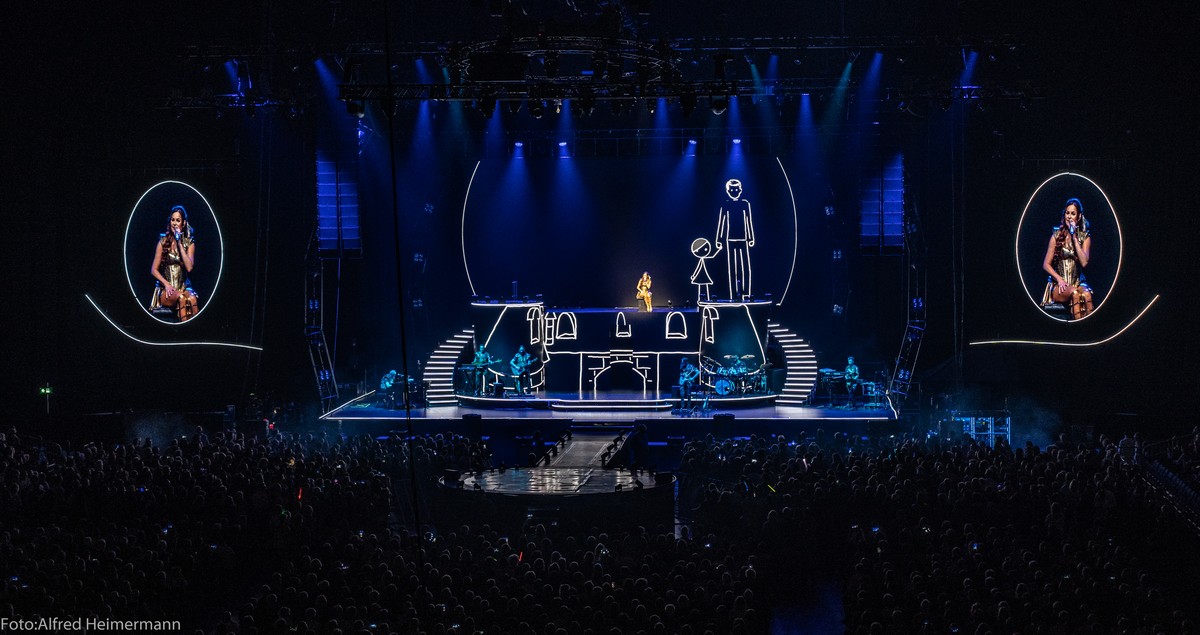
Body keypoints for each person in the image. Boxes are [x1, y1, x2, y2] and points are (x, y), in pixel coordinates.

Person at [1041, 198, 1093, 319]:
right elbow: (1046, 264)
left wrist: (1074, 236)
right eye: (1067, 213)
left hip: (1077, 282)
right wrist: (1059, 279)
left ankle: (1091, 328)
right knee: (1074, 293)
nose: (1069, 216)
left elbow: (1084, 262)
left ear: (1078, 217)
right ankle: (1077, 328)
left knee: (1087, 294)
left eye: (1073, 214)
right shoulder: (1056, 235)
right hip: (1060, 284)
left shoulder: (1084, 237)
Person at [149, 205, 199, 321]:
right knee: (181, 298)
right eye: (172, 220)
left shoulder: (189, 243)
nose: (175, 223)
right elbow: (153, 270)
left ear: (183, 223)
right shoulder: (163, 242)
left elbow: (189, 267)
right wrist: (166, 284)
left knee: (192, 299)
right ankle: (183, 330)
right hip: (167, 289)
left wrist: (179, 243)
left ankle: (195, 330)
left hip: (183, 287)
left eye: (178, 220)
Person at [714, 179, 755, 301]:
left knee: (745, 267)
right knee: (732, 268)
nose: (734, 191)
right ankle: (733, 294)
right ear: (728, 191)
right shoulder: (726, 205)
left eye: (736, 189)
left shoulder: (745, 204)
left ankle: (746, 293)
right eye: (732, 190)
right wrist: (719, 239)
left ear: (740, 190)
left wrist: (750, 237)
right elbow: (721, 222)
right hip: (730, 239)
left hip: (743, 239)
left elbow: (748, 221)